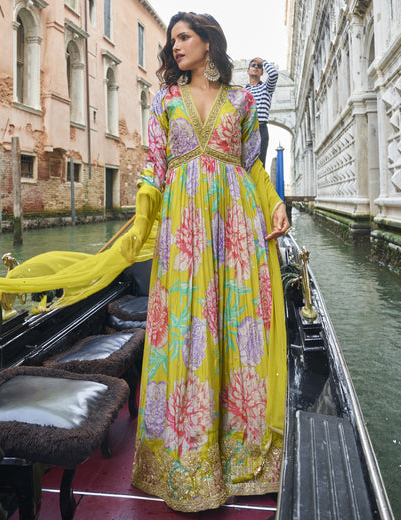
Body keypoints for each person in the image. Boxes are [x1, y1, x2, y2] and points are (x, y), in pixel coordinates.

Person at [122, 11, 290, 513]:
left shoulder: (241, 101)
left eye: (184, 37)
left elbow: (252, 165)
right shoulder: (165, 101)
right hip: (185, 232)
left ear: (208, 43)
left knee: (238, 330)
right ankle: (189, 459)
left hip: (236, 228)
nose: (175, 46)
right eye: (172, 39)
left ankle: (244, 461)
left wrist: (275, 204)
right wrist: (139, 223)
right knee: (190, 329)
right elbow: (153, 167)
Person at [245, 57, 278, 168]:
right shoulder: (243, 92)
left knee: (259, 165)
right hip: (246, 130)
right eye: (253, 65)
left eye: (259, 66)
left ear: (262, 72)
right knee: (245, 165)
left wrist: (263, 61)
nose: (256, 67)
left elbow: (273, 74)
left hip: (261, 129)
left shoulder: (266, 88)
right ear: (248, 71)